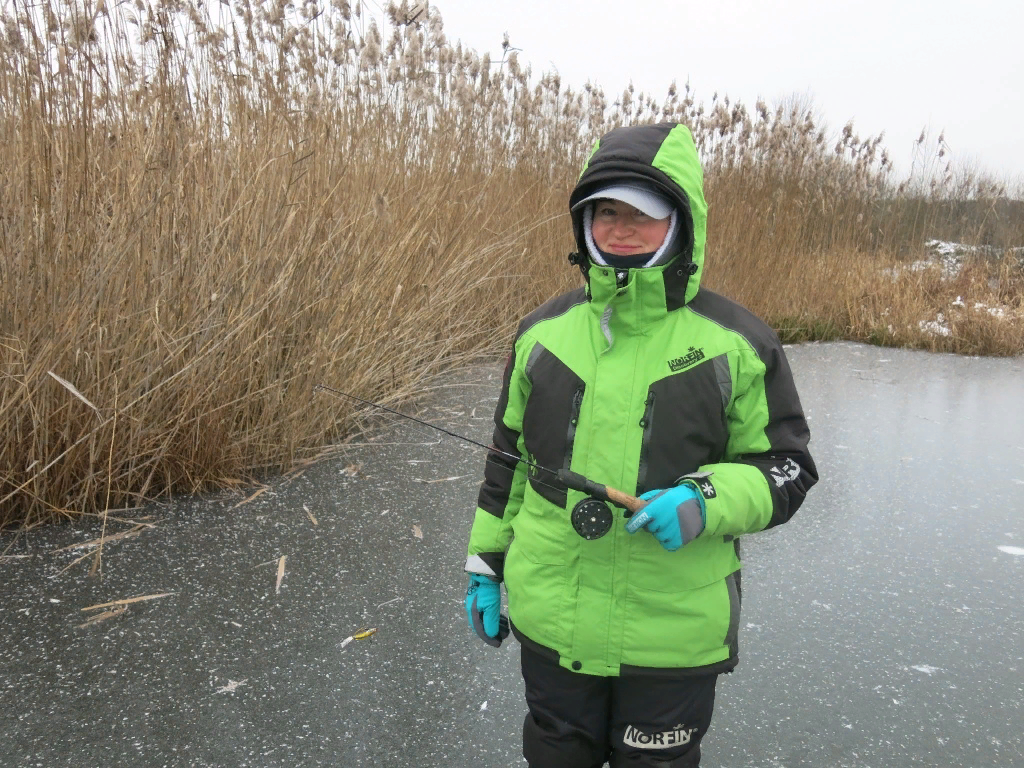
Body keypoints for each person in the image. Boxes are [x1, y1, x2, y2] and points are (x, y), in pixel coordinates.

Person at [463, 122, 818, 767]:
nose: (621, 229)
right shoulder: (542, 335)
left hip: (671, 635)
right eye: (606, 213)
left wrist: (703, 499)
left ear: (681, 223)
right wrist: (486, 565)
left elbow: (787, 468)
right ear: (584, 224)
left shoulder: (737, 343)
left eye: (642, 215)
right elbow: (505, 463)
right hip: (552, 616)